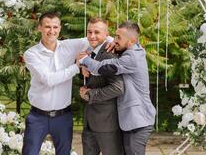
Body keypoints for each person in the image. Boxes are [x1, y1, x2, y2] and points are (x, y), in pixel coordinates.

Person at [77, 21, 156, 155]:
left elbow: (102, 67)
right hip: (130, 121)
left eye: (118, 37)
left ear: (131, 41)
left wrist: (84, 59)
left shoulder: (132, 57)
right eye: (115, 36)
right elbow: (103, 44)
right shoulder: (130, 50)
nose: (114, 40)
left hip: (138, 122)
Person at [22, 12, 93, 155]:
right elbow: (49, 80)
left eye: (55, 27)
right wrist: (76, 67)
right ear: (39, 28)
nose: (52, 31)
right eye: (47, 27)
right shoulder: (31, 54)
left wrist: (126, 44)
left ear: (60, 28)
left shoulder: (70, 46)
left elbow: (97, 37)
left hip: (63, 117)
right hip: (37, 117)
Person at [78, 17, 124, 155]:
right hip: (90, 122)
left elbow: (118, 88)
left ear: (106, 34)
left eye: (97, 32)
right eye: (89, 32)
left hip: (107, 124)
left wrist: (90, 94)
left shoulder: (109, 56)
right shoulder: (90, 52)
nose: (92, 36)